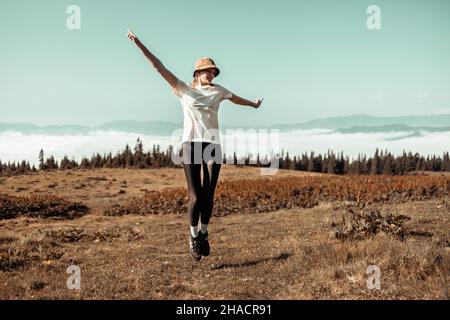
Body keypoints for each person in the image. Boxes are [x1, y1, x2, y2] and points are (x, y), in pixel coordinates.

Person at [127, 28, 263, 261]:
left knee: (209, 196)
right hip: (190, 144)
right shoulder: (184, 89)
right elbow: (159, 68)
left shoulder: (220, 91)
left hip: (212, 145)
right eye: (208, 71)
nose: (212, 74)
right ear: (197, 73)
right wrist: (139, 43)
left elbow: (237, 99)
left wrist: (254, 105)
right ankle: (193, 237)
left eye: (213, 71)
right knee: (196, 197)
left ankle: (204, 233)